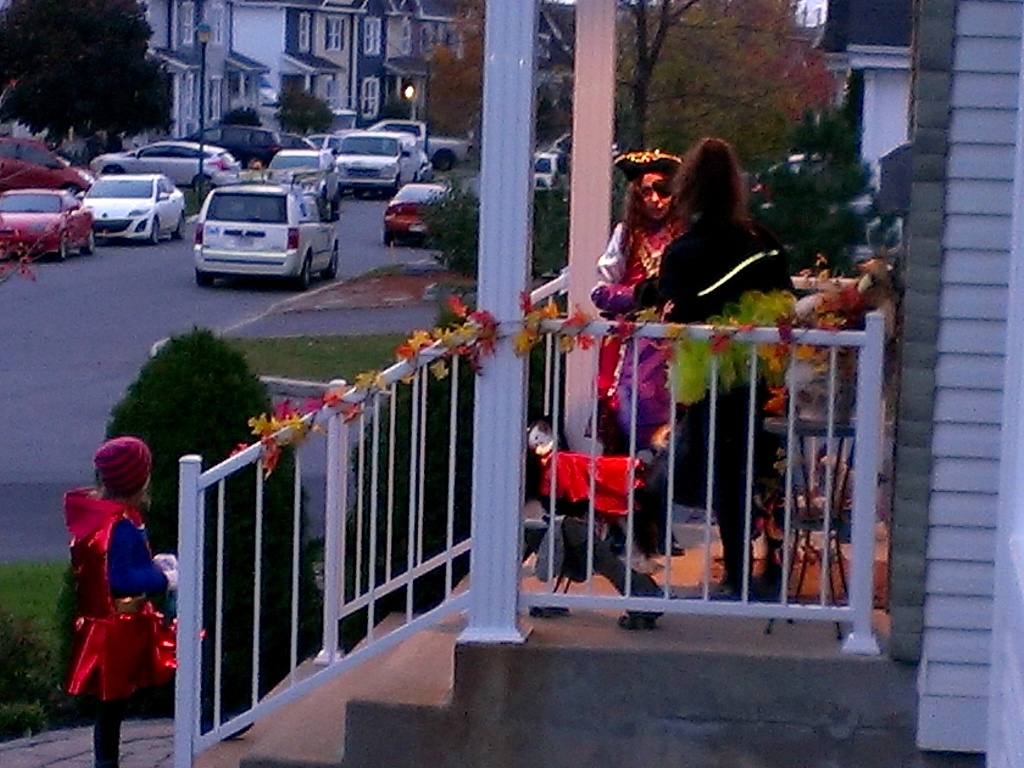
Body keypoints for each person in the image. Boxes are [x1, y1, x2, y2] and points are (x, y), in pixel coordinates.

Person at [658, 137, 793, 596]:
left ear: (688, 188)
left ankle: (737, 572)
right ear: (736, 187)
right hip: (765, 369)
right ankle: (774, 562)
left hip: (710, 373)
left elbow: (674, 308)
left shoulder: (684, 250)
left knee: (724, 471)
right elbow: (786, 296)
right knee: (769, 464)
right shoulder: (762, 241)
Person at [64, 436, 178, 768]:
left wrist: (154, 565)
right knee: (112, 702)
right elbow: (121, 578)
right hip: (119, 628)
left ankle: (106, 760)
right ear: (139, 479)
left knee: (112, 704)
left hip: (116, 622)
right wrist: (164, 579)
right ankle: (106, 762)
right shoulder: (121, 526)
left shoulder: (106, 518)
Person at [591, 149, 685, 455]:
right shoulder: (626, 235)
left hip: (676, 344)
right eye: (646, 192)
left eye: (663, 191)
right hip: (632, 347)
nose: (655, 200)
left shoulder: (685, 235)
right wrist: (636, 295)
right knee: (627, 415)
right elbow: (600, 292)